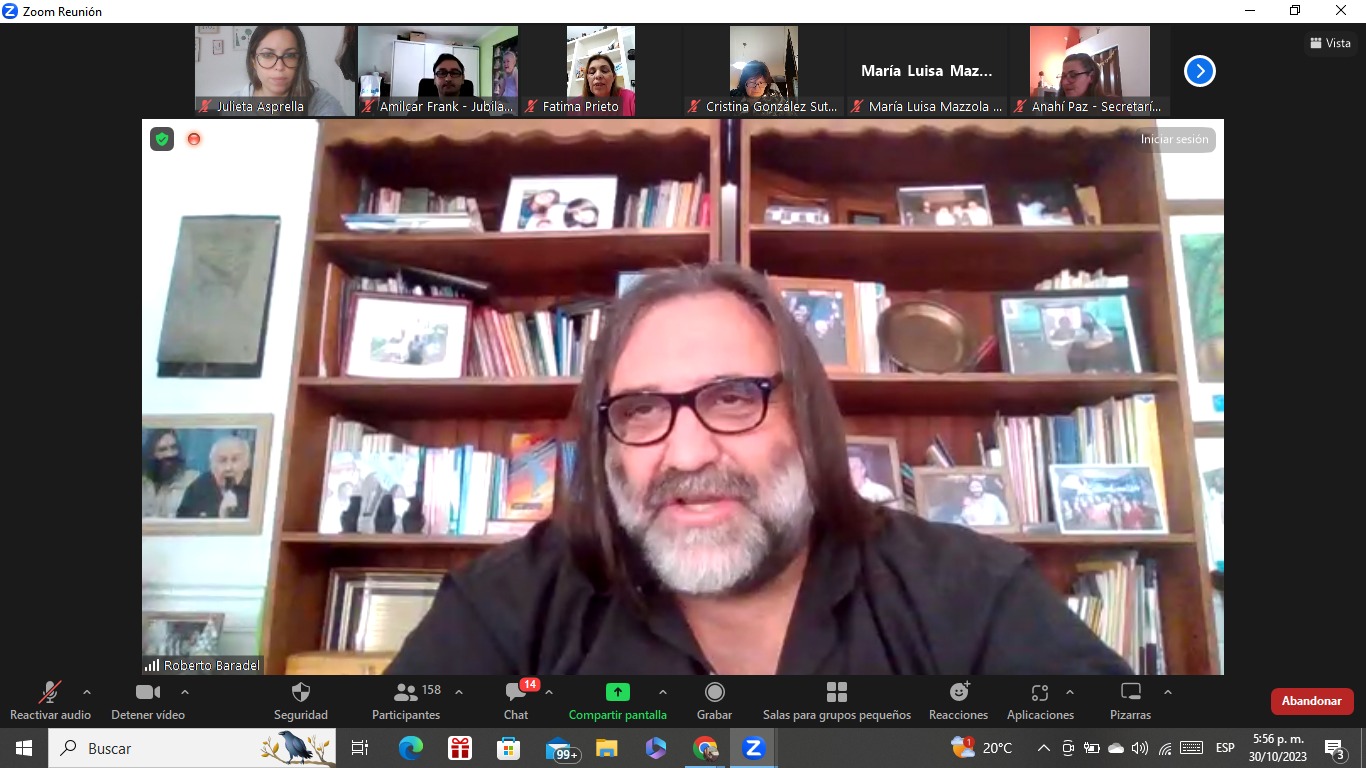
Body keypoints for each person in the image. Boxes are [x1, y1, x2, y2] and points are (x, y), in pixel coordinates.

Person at [386, 263, 1131, 675]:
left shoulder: (969, 593)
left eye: (733, 398)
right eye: (641, 410)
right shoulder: (516, 605)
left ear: (804, 419)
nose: (686, 454)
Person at [230, 25, 346, 116]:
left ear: (300, 60)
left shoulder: (321, 103)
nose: (280, 67)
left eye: (290, 55)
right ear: (253, 61)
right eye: (267, 55)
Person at [177, 436, 253, 518]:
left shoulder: (256, 486)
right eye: (222, 460)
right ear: (212, 466)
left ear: (246, 464)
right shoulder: (197, 489)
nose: (228, 468)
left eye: (235, 460)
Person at [142, 429, 200, 518]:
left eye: (173, 448)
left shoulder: (192, 480)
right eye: (162, 450)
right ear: (151, 455)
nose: (170, 454)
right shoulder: (144, 483)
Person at [569, 53, 636, 116]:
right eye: (592, 72)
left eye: (604, 70)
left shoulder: (631, 99)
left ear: (613, 76)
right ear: (587, 78)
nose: (598, 75)